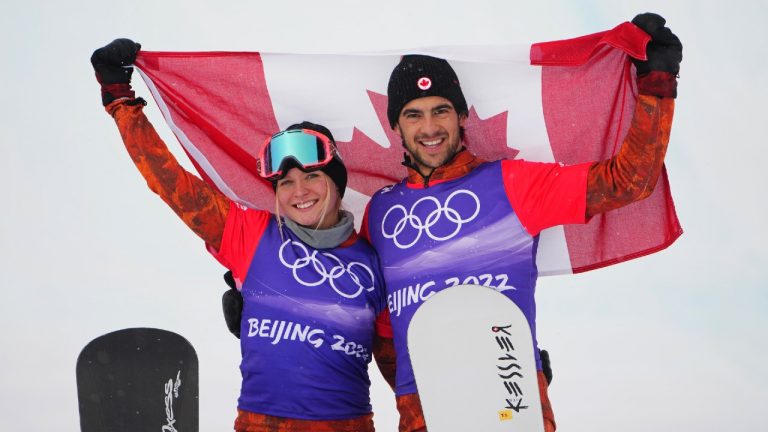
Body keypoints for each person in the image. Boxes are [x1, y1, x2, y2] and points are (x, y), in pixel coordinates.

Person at [361, 13, 682, 432]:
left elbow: (628, 181)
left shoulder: (512, 182)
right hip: (424, 413)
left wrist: (657, 84)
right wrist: (417, 399)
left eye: (441, 111)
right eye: (413, 115)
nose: (429, 127)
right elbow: (383, 331)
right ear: (396, 128)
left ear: (462, 117)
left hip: (511, 406)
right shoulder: (381, 211)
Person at [91, 39, 396, 432]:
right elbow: (169, 181)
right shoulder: (250, 233)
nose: (298, 192)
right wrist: (120, 101)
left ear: (336, 182)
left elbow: (397, 367)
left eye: (312, 177)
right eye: (285, 182)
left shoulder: (373, 263)